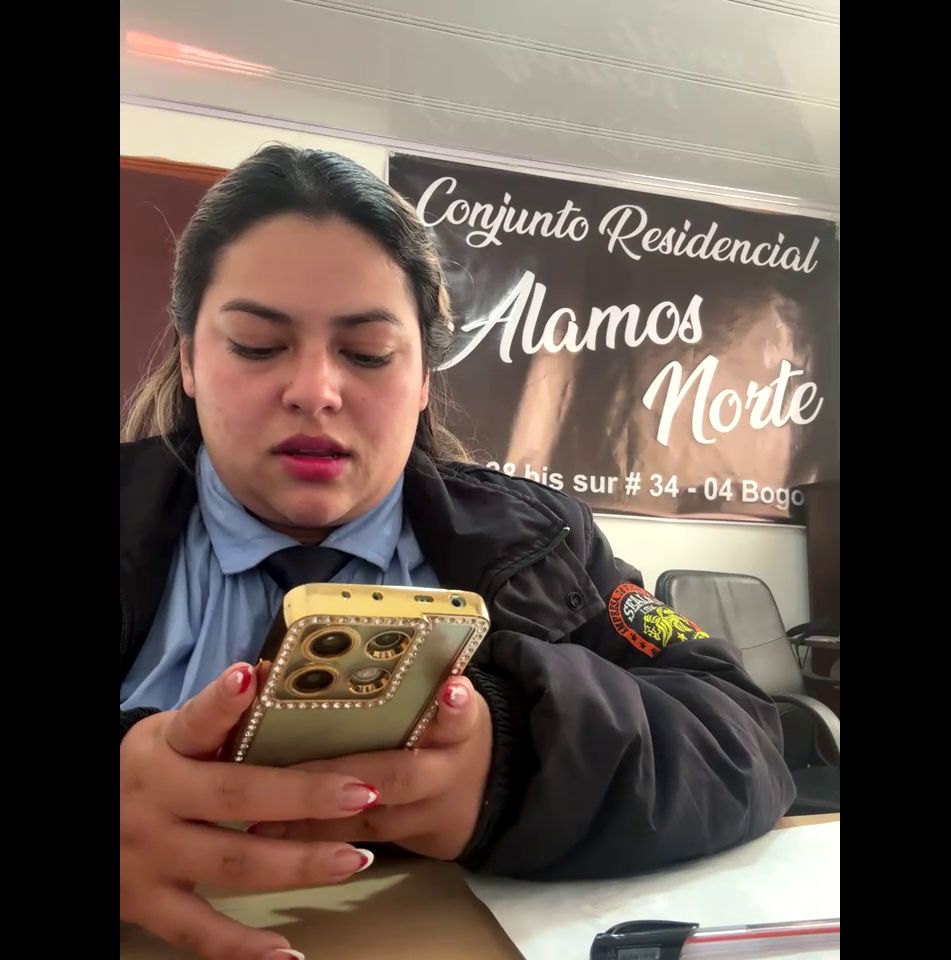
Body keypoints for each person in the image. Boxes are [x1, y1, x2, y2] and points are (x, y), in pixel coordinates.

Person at [120, 144, 796, 960]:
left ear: (422, 379)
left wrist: (515, 764)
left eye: (368, 353)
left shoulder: (546, 542)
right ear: (190, 359)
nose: (315, 391)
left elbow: (740, 735)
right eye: (258, 345)